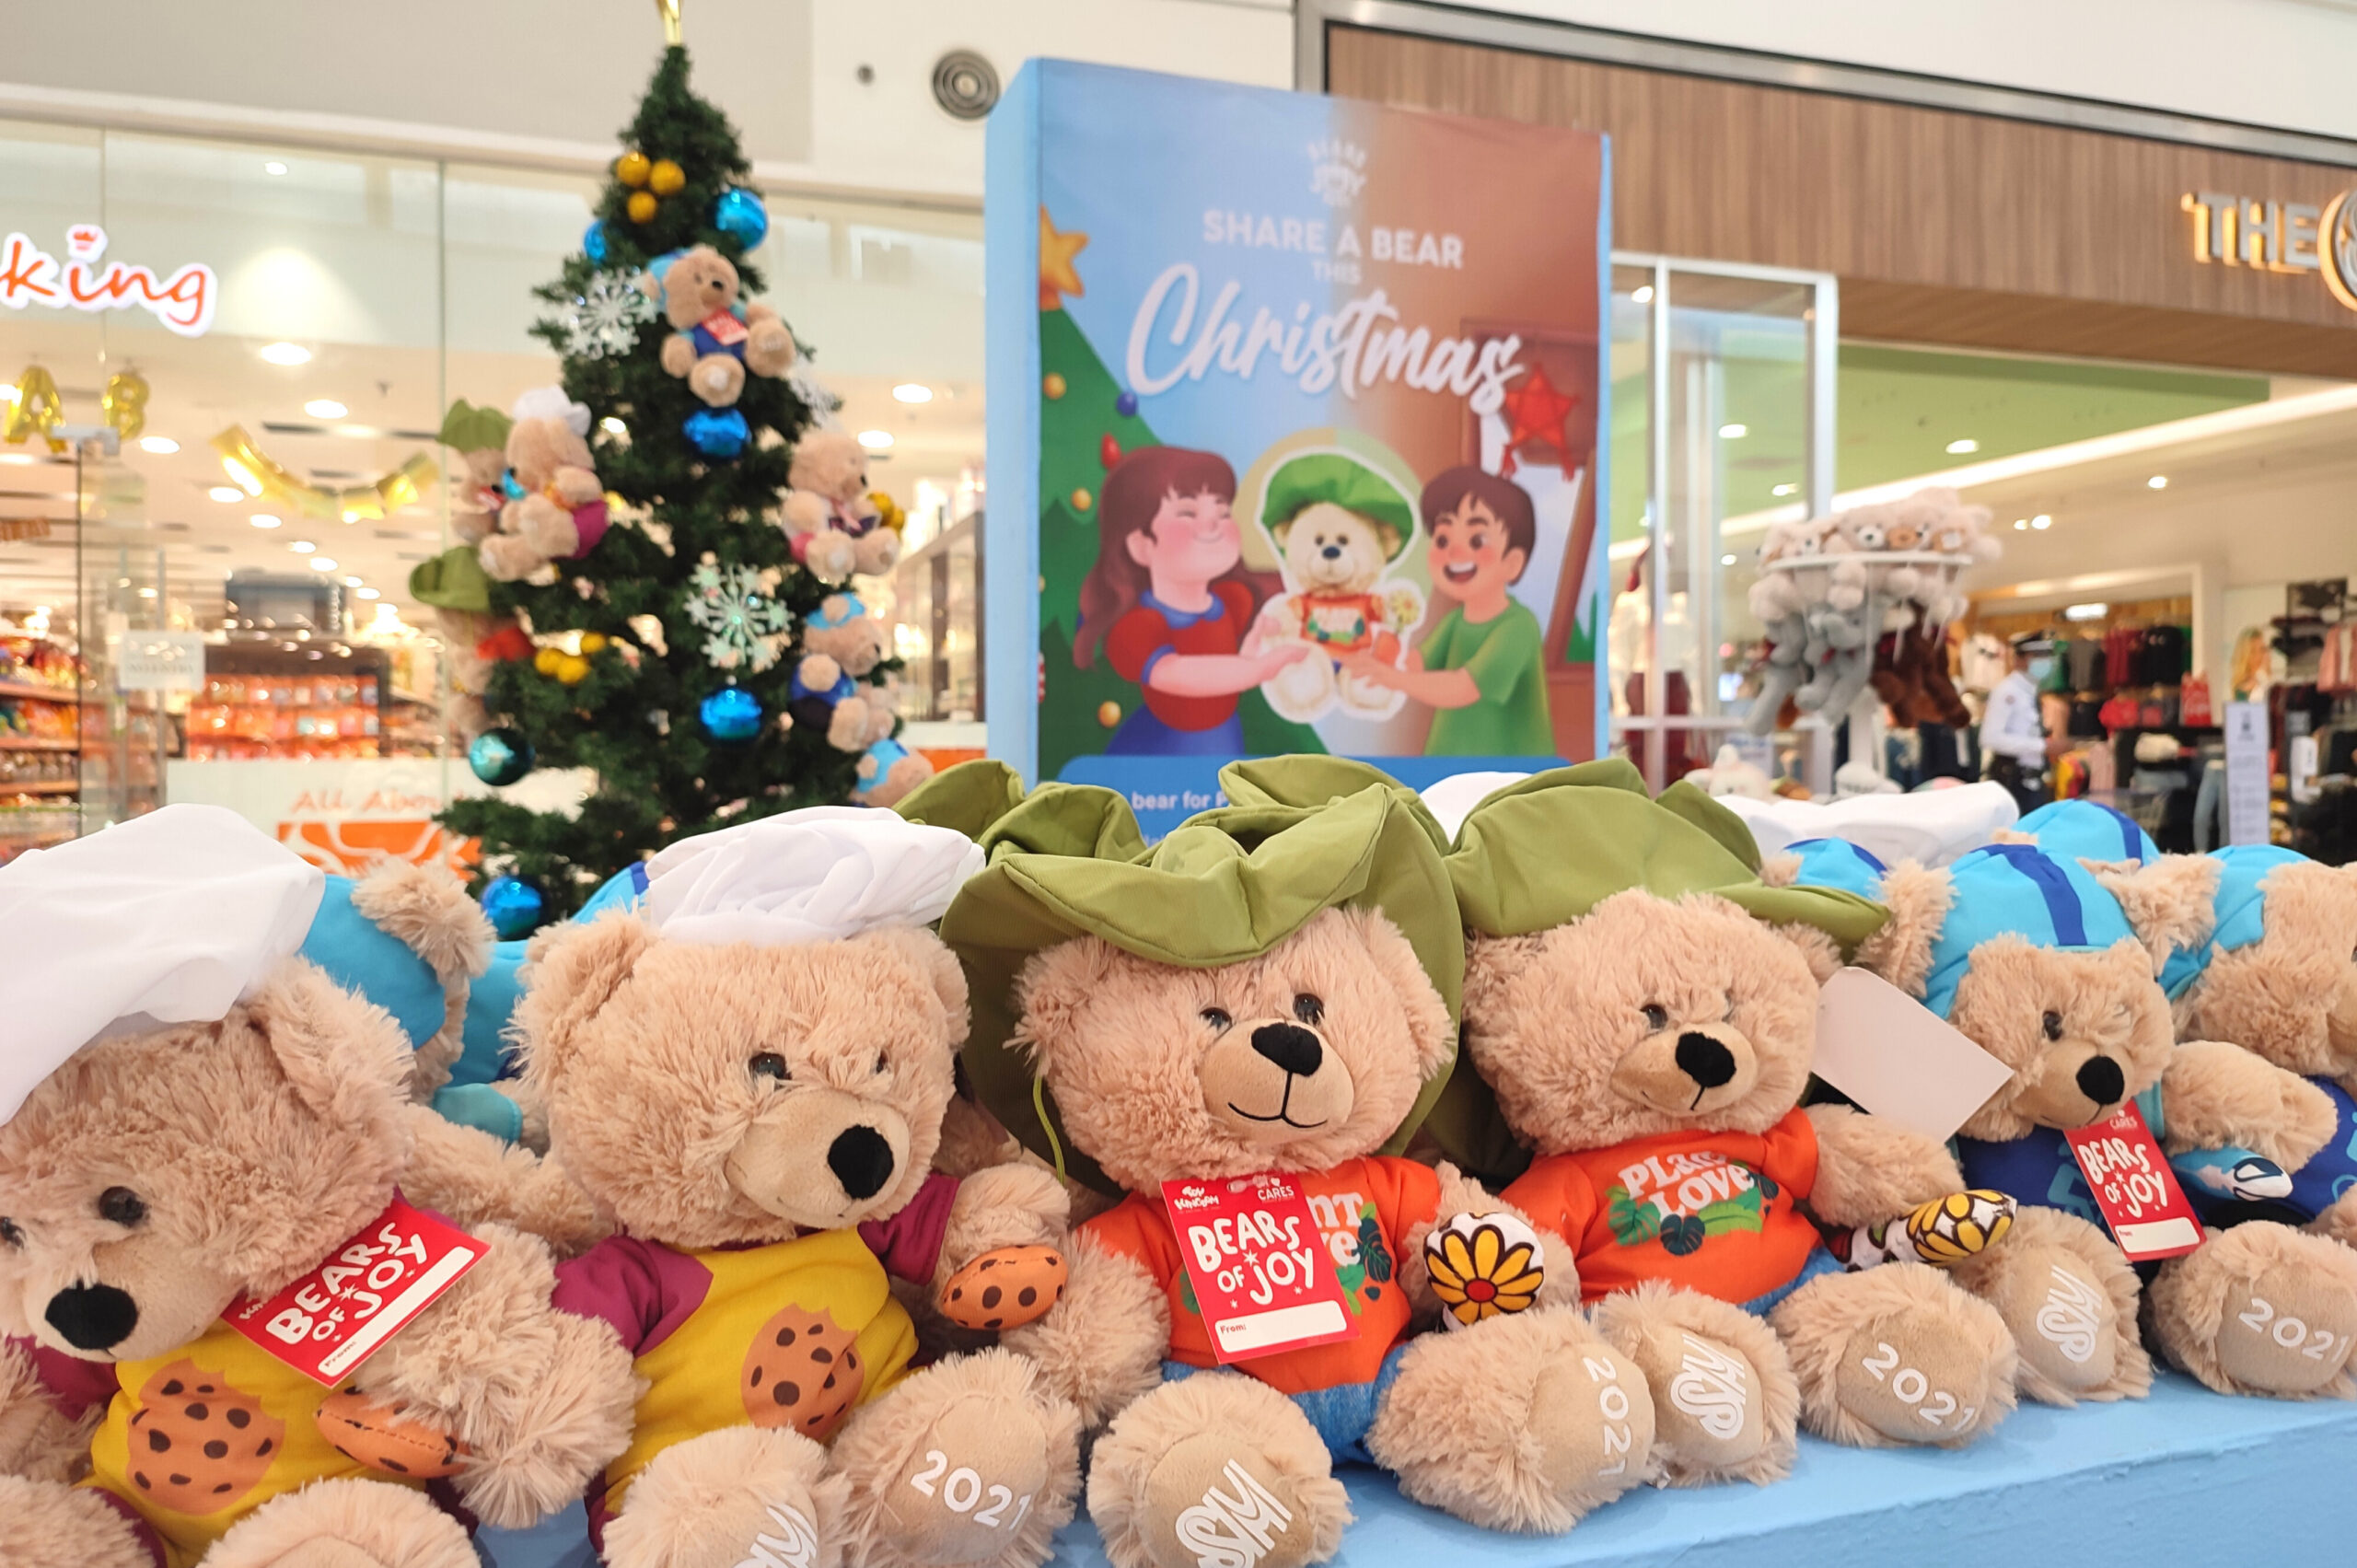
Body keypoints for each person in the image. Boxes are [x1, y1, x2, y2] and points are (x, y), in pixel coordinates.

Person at [1074, 445, 1307, 756]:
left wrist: (1259, 638)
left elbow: (1233, 659)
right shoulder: (1137, 625)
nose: (1213, 523)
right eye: (1188, 513)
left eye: (1223, 512)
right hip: (1163, 749)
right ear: (1142, 545)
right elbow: (1179, 674)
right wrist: (1258, 669)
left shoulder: (1231, 599)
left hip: (1224, 738)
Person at [1341, 465, 1553, 756]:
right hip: (1447, 765)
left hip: (1512, 774)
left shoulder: (1518, 627)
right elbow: (1415, 663)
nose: (1454, 552)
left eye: (1477, 540)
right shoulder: (1455, 622)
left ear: (1513, 563)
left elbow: (1462, 688)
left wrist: (1391, 678)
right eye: (1443, 540)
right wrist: (1373, 658)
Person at [1980, 634, 2055, 813]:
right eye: (2037, 656)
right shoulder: (2007, 691)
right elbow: (1990, 738)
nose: (2043, 662)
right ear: (2018, 660)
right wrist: (2042, 746)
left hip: (2032, 779)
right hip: (2013, 778)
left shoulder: (2029, 691)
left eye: (2046, 656)